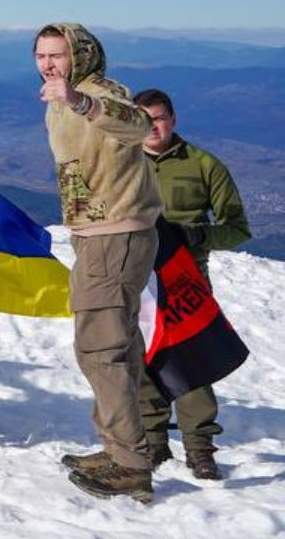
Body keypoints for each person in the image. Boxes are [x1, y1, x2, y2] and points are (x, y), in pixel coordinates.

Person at [29, 24, 162, 504]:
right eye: (42, 56)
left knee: (100, 348)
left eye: (58, 55)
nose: (48, 64)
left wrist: (80, 101)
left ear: (80, 55)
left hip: (117, 235)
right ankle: (119, 448)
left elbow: (139, 125)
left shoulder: (99, 92)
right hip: (94, 235)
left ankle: (129, 463)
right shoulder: (58, 99)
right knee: (114, 345)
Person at [133, 87, 250, 481]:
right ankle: (153, 441)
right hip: (137, 275)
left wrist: (196, 236)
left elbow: (237, 228)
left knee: (193, 360)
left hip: (188, 278)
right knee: (145, 357)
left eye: (160, 117)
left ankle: (199, 448)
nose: (153, 126)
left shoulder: (204, 165)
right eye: (144, 119)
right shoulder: (121, 163)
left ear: (174, 119)